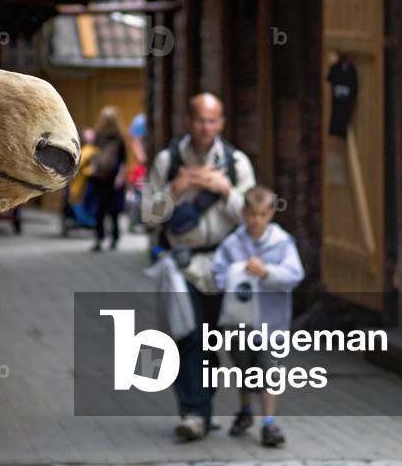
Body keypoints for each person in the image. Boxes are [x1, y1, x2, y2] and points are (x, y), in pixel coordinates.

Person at [148, 92, 256, 440]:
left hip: (227, 264)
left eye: (212, 120)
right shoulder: (168, 161)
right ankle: (195, 414)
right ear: (188, 121)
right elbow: (147, 216)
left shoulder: (237, 163)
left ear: (221, 123)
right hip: (185, 264)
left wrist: (226, 191)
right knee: (189, 337)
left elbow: (255, 219)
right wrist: (176, 190)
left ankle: (224, 408)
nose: (205, 127)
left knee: (224, 338)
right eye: (199, 120)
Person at [212, 185, 305, 448]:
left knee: (268, 369)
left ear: (271, 214)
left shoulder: (282, 243)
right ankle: (245, 410)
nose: (256, 221)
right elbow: (218, 275)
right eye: (252, 215)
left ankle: (269, 423)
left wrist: (267, 273)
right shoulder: (232, 243)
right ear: (243, 213)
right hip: (238, 322)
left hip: (269, 322)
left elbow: (294, 275)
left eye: (262, 215)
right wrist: (237, 272)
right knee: (243, 367)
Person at [89, 107, 126, 251]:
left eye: (105, 119)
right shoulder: (98, 135)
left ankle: (115, 238)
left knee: (113, 211)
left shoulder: (118, 137)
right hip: (100, 176)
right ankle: (99, 238)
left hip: (113, 178)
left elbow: (123, 159)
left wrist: (120, 176)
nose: (102, 121)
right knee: (99, 210)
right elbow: (93, 153)